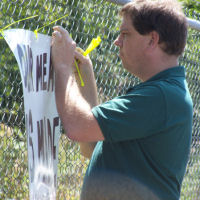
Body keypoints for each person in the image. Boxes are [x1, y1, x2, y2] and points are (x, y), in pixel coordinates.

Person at [51, 0, 193, 199]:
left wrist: (63, 67)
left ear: (152, 40)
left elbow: (78, 127)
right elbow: (91, 146)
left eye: (125, 34)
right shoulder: (166, 93)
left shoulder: (161, 97)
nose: (117, 41)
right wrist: (85, 77)